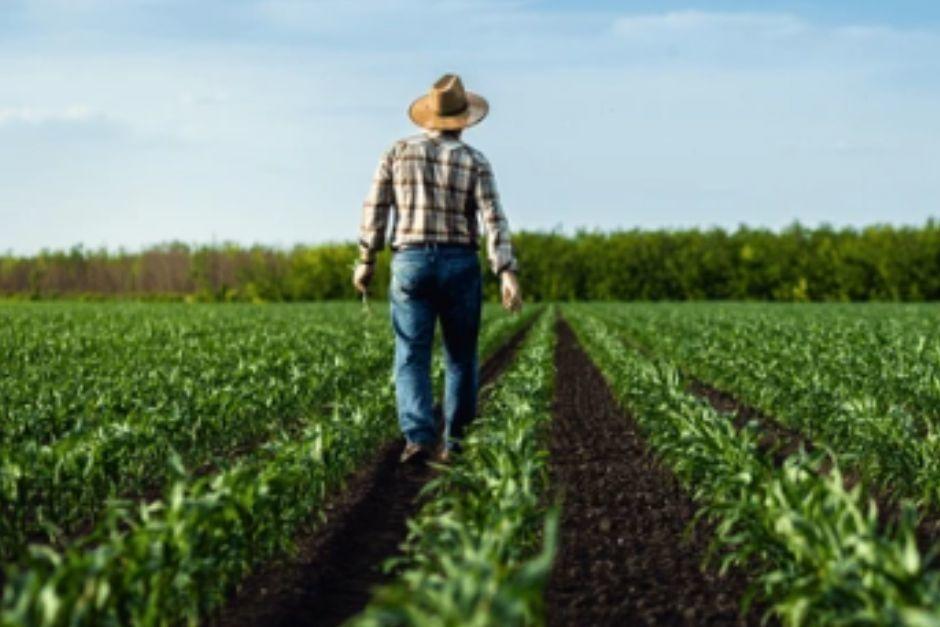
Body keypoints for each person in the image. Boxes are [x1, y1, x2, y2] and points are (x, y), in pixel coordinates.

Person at [352, 73, 522, 465]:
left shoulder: (396, 152)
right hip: (460, 262)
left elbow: (374, 209)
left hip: (410, 262)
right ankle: (457, 444)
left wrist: (366, 259)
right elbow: (494, 218)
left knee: (411, 352)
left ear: (427, 117)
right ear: (463, 121)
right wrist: (506, 271)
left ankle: (418, 438)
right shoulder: (475, 160)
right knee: (460, 356)